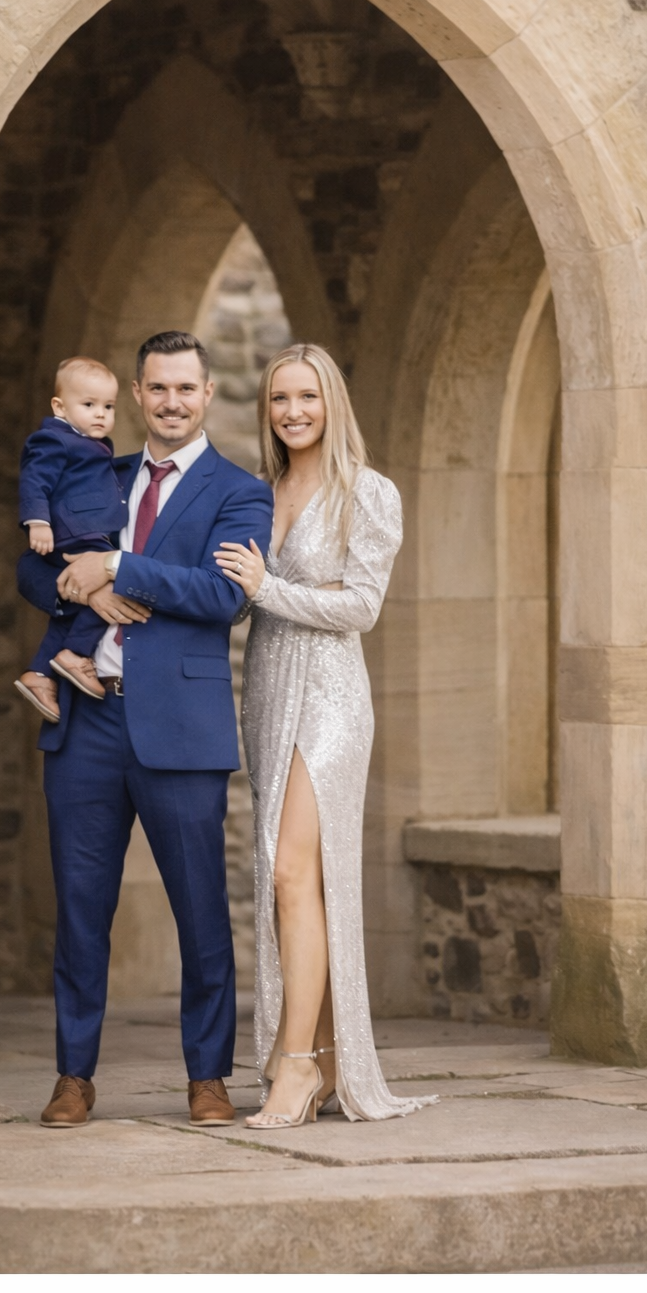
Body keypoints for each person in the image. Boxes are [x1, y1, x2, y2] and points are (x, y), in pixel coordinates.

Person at [17, 330, 274, 1130]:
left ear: (206, 395)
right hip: (87, 717)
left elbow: (220, 595)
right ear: (137, 395)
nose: (171, 402)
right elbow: (32, 565)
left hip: (182, 727)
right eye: (157, 389)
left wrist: (121, 569)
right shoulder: (100, 468)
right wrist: (85, 594)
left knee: (201, 909)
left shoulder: (241, 493)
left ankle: (208, 1077)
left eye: (185, 389)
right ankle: (73, 1076)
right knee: (81, 907)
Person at [215, 343, 436, 1127]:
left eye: (306, 396)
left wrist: (268, 587)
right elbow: (240, 601)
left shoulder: (367, 494)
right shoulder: (260, 492)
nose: (293, 411)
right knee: (289, 881)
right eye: (280, 398)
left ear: (331, 401)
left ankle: (297, 1065)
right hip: (268, 688)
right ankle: (326, 1056)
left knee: (289, 873)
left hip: (333, 696)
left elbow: (360, 608)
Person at [14, 357, 128, 722]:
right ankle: (76, 654)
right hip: (73, 532)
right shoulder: (54, 439)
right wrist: (38, 522)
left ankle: (39, 673)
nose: (101, 414)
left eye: (108, 407)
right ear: (59, 407)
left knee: (77, 606)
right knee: (114, 588)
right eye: (89, 405)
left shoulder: (91, 443)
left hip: (84, 529)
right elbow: (35, 480)